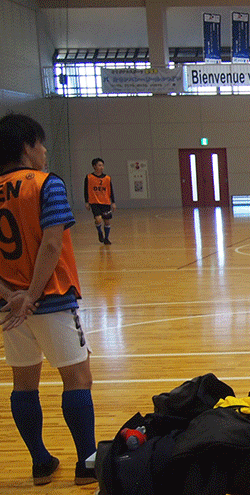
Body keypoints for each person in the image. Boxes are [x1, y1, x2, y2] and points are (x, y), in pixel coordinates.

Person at [0, 114, 97, 486]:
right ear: (27, 147)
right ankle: (86, 464)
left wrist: (13, 297)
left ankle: (40, 463)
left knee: (24, 383)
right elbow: (52, 244)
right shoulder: (45, 184)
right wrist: (32, 295)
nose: (44, 152)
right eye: (40, 144)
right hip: (51, 298)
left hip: (11, 309)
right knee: (78, 378)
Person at [84, 157, 116, 245]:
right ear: (94, 166)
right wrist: (86, 201)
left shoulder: (107, 178)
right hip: (94, 202)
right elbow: (86, 190)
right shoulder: (89, 177)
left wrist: (113, 202)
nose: (101, 167)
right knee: (98, 219)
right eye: (99, 165)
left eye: (102, 165)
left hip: (105, 202)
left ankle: (106, 238)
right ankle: (99, 232)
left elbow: (111, 190)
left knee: (107, 221)